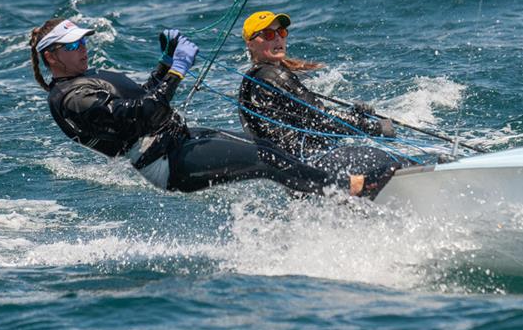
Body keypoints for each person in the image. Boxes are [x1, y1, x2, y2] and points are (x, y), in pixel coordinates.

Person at [29, 17, 388, 196]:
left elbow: (142, 97)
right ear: (52, 56)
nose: (82, 49)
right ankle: (345, 190)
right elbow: (143, 114)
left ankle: (319, 195)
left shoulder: (85, 79)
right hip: (164, 162)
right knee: (265, 157)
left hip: (177, 141)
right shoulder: (72, 97)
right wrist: (178, 71)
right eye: (72, 45)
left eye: (81, 42)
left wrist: (165, 63)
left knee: (270, 150)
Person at [238, 11, 403, 196]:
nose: (277, 38)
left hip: (297, 179)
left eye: (281, 32)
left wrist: (354, 115)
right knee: (393, 164)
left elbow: (305, 119)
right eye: (268, 34)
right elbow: (322, 118)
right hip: (316, 164)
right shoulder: (272, 76)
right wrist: (373, 127)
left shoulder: (252, 80)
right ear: (250, 44)